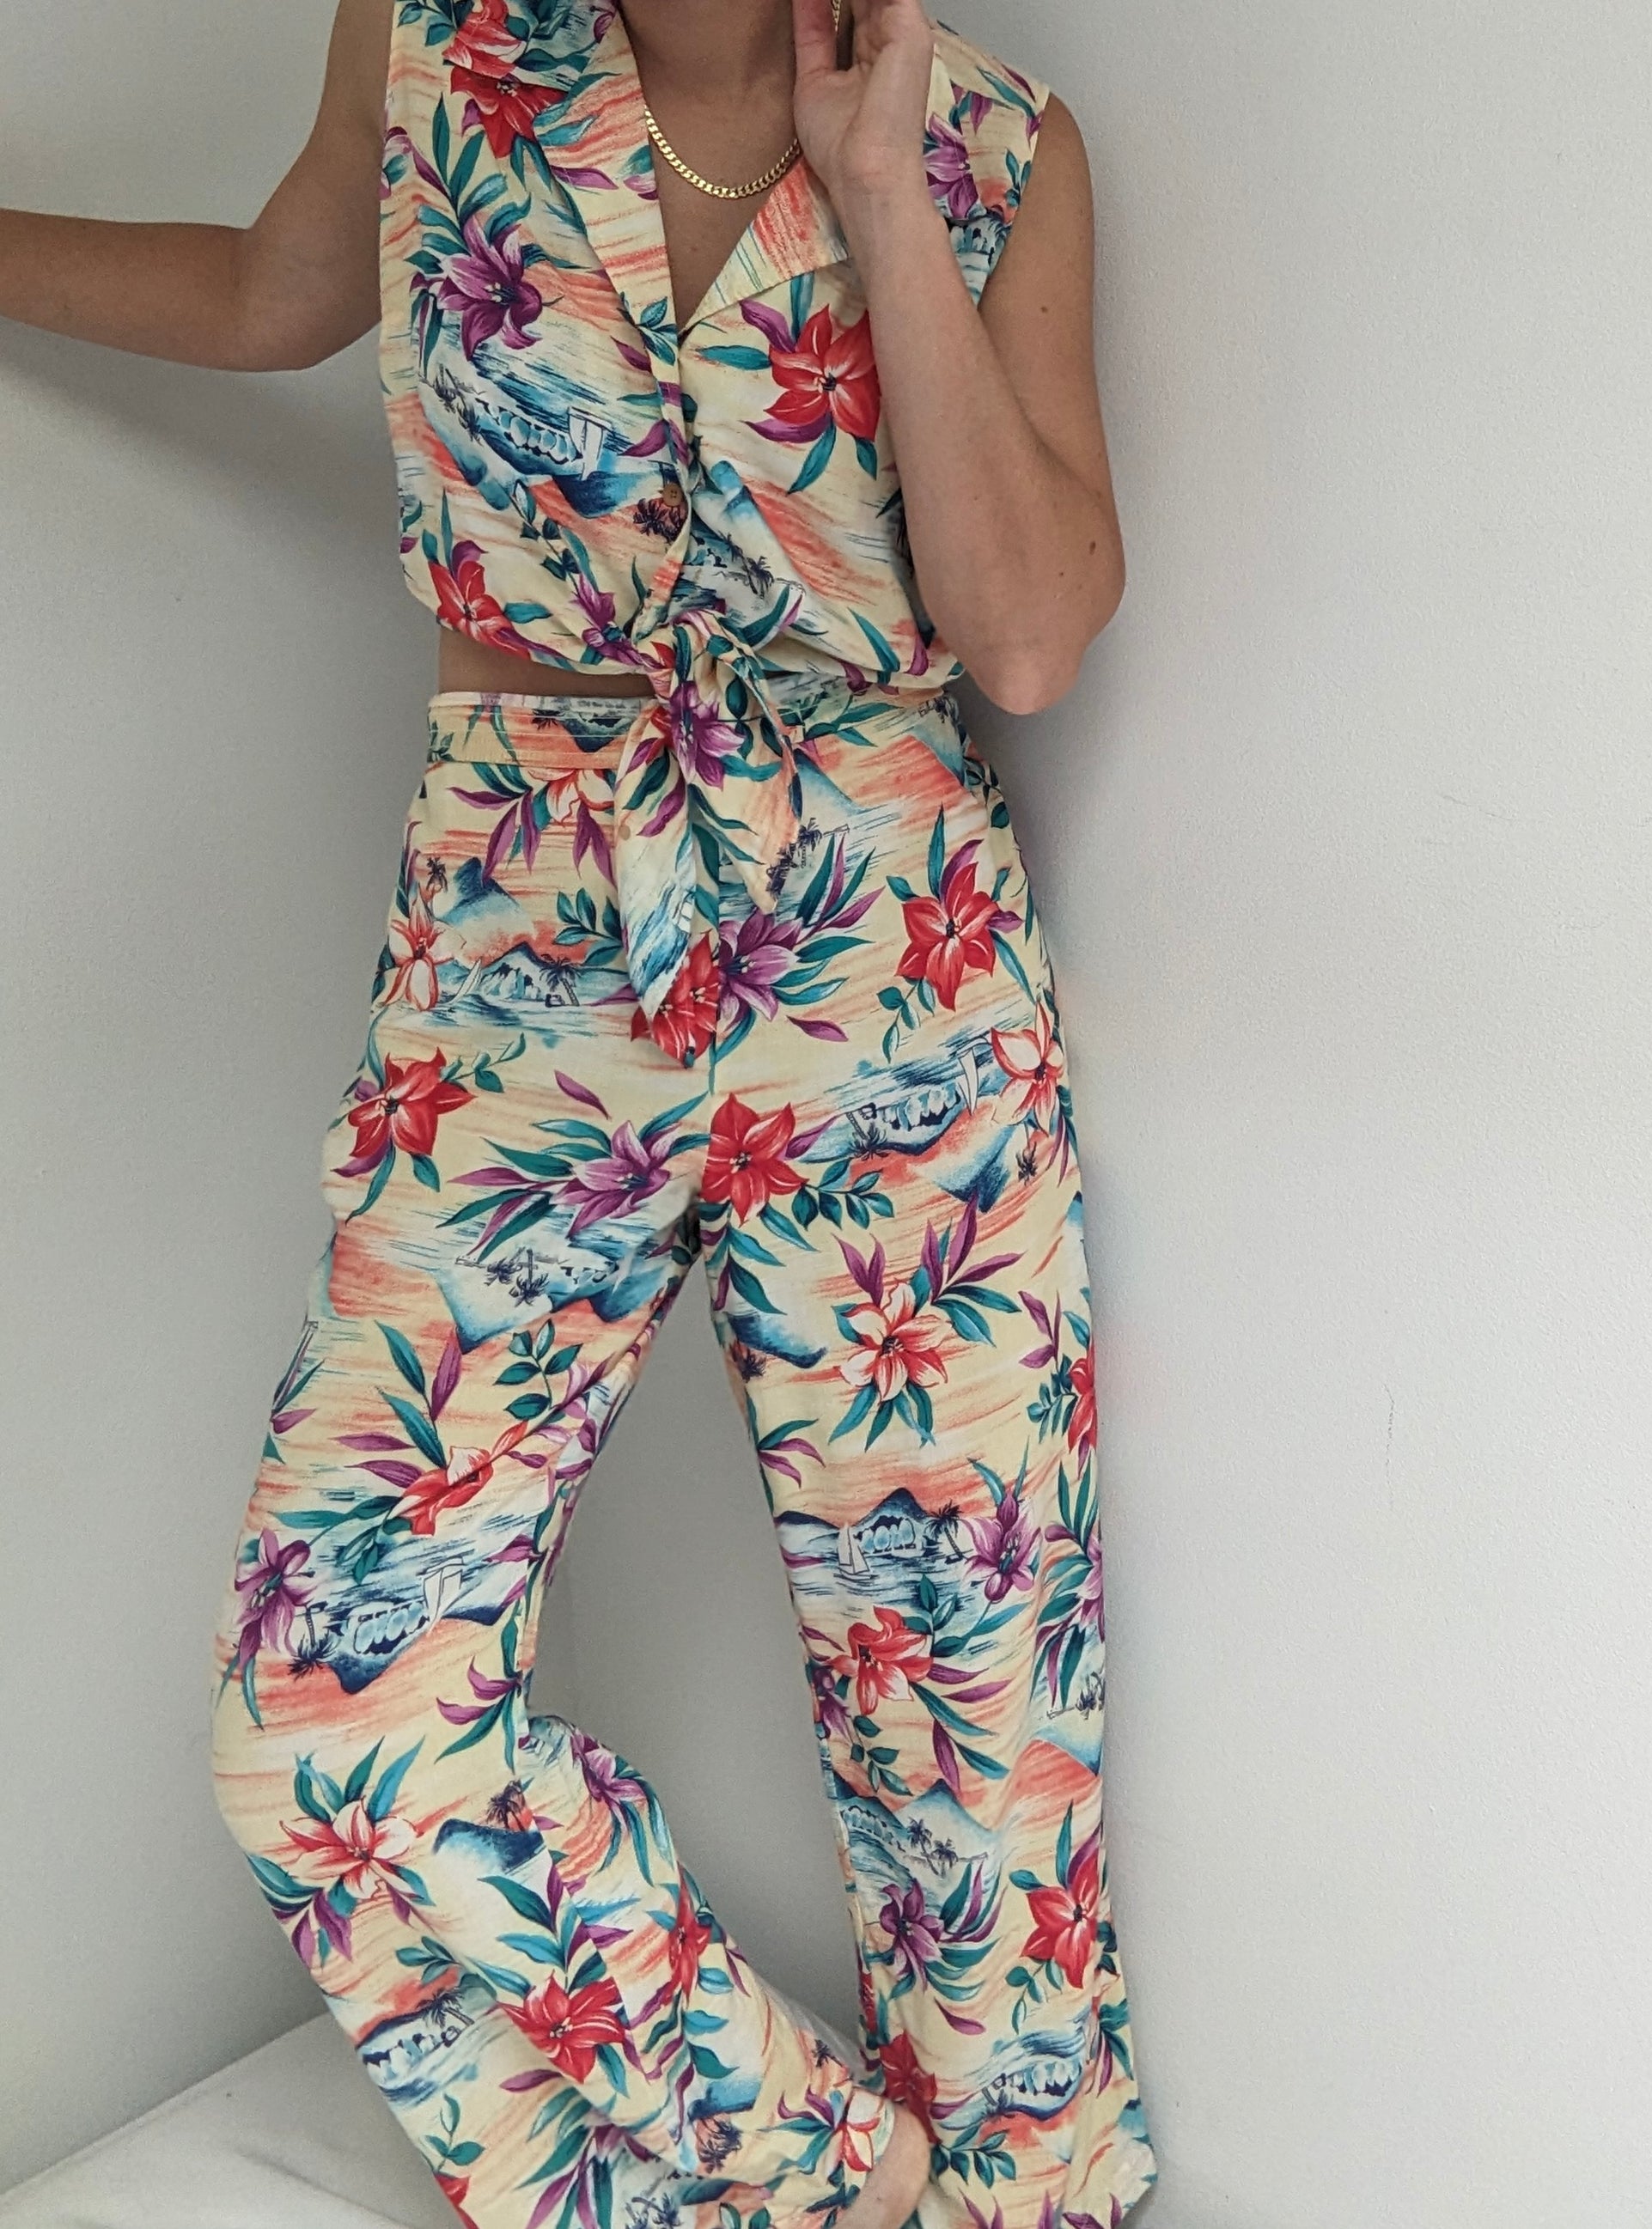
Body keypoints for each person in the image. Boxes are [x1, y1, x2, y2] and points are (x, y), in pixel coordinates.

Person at [0, 2, 1155, 2224]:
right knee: (328, 1708)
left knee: (972, 1738)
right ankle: (820, 2181)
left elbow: (1023, 637)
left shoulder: (1000, 147)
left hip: (888, 969)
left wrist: (878, 186)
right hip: (524, 946)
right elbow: (275, 287)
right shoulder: (433, 38)